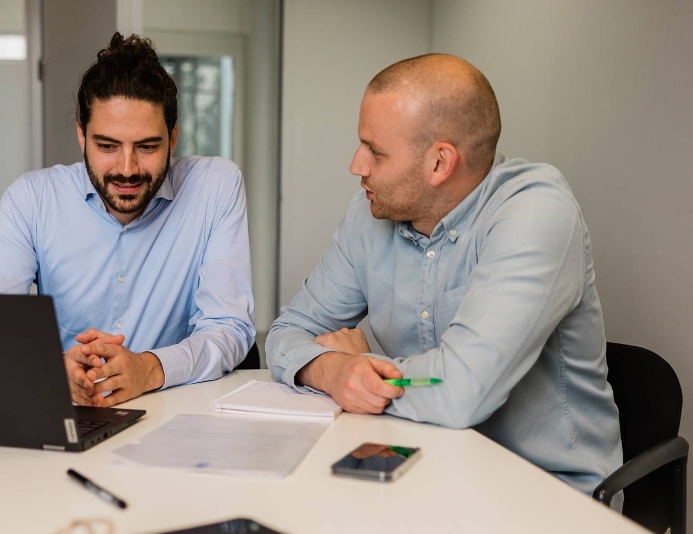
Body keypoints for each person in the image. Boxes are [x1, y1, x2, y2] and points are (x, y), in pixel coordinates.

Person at [266, 54, 622, 497]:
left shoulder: (535, 213)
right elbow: (287, 332)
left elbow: (460, 392)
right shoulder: (369, 215)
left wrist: (364, 373)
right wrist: (334, 370)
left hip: (545, 493)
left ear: (440, 163)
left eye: (376, 151)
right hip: (423, 467)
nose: (357, 166)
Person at [0, 32, 255, 408]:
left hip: (172, 410)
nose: (127, 169)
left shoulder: (215, 188)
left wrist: (149, 369)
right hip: (68, 410)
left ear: (173, 138)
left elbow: (229, 327)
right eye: (107, 146)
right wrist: (50, 368)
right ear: (81, 135)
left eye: (147, 146)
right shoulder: (31, 200)